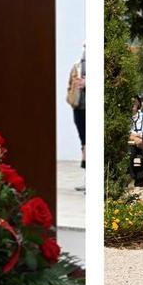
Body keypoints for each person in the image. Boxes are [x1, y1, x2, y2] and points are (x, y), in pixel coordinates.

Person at [67, 45, 86, 187]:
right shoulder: (77, 65)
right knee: (84, 143)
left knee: (88, 143)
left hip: (88, 109)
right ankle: (86, 179)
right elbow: (70, 85)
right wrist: (71, 99)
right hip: (78, 108)